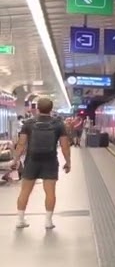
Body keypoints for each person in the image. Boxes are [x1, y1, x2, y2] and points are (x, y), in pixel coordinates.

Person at [13, 97, 70, 229]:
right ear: (51, 109)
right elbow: (65, 145)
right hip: (50, 161)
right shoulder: (58, 124)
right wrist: (68, 162)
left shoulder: (28, 123)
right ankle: (48, 221)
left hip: (31, 160)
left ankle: (20, 220)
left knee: (25, 191)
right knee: (50, 192)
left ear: (37, 108)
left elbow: (21, 144)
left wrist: (16, 160)